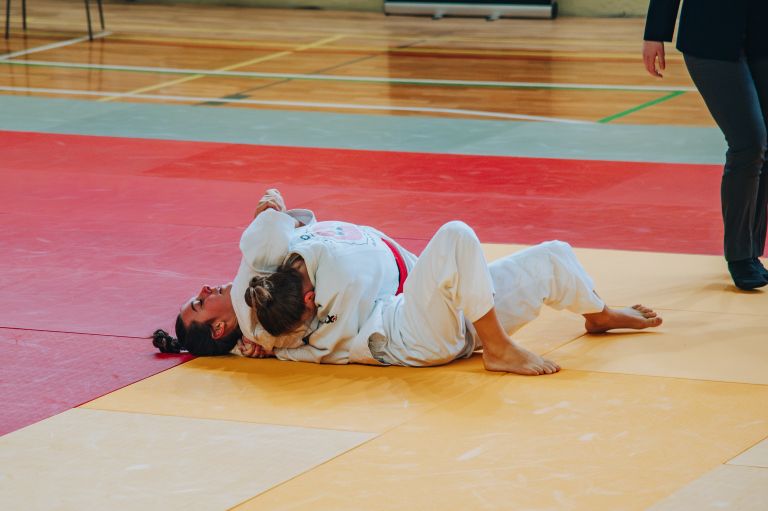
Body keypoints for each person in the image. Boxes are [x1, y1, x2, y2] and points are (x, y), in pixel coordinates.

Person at [246, 220, 663, 376]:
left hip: (449, 326)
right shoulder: (323, 285)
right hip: (412, 333)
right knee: (455, 236)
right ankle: (499, 349)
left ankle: (599, 314)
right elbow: (269, 240)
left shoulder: (280, 332)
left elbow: (263, 321)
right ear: (312, 296)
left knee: (551, 256)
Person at [643, 0, 768, 290]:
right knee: (748, 142)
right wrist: (655, 33)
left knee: (764, 146)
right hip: (709, 37)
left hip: (762, 31)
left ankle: (751, 251)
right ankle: (739, 256)